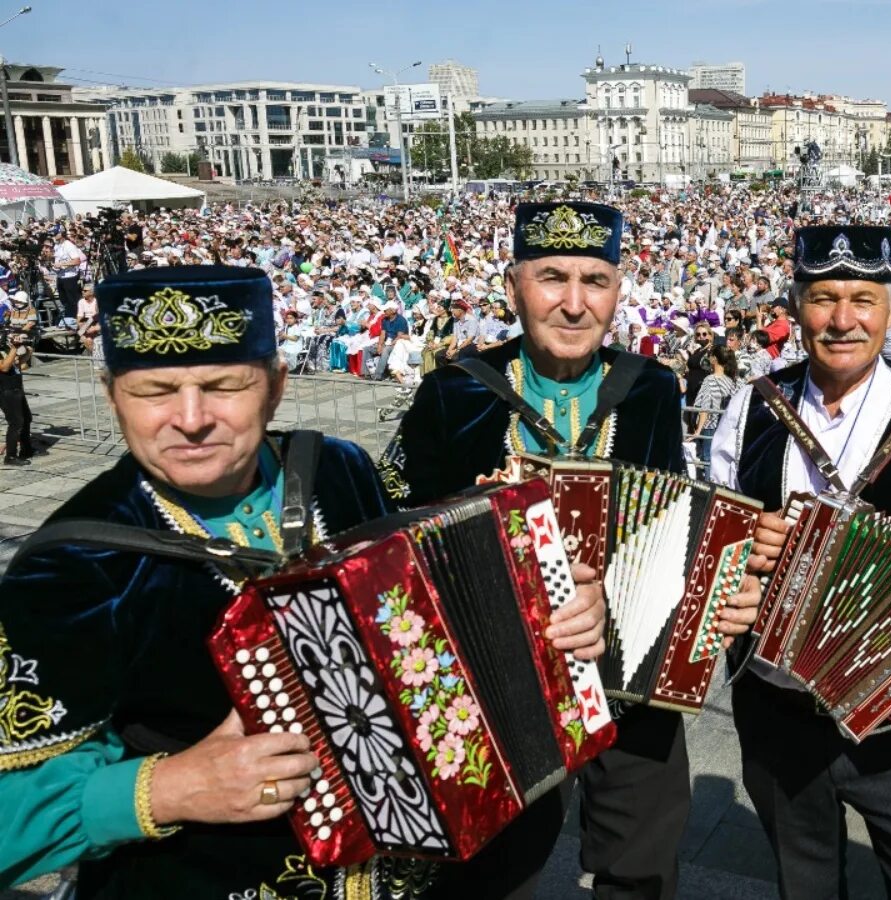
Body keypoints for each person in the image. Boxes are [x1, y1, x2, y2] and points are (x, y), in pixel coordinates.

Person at [0, 266, 601, 898]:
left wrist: (552, 605)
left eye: (224, 385)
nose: (191, 418)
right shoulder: (70, 566)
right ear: (111, 393)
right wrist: (166, 788)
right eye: (155, 390)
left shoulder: (338, 467)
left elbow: (433, 616)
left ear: (276, 387)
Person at [384, 202, 689, 900]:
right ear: (513, 284)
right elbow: (387, 527)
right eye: (552, 277)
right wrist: (468, 518)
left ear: (620, 288)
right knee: (496, 874)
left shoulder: (651, 389)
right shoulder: (454, 390)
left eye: (596, 279)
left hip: (625, 675)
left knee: (642, 865)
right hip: (494, 687)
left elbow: (673, 514)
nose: (576, 304)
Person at [709, 224, 891, 900]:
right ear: (795, 306)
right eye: (823, 298)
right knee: (804, 887)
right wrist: (739, 551)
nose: (843, 320)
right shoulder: (754, 407)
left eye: (863, 299)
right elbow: (709, 544)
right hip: (775, 713)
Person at [0, 319, 32, 464]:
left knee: (26, 418)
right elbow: (4, 368)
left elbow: (19, 365)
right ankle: (10, 456)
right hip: (6, 391)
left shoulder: (6, 349)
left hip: (17, 388)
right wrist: (14, 347)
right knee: (16, 422)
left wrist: (27, 352)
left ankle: (26, 449)